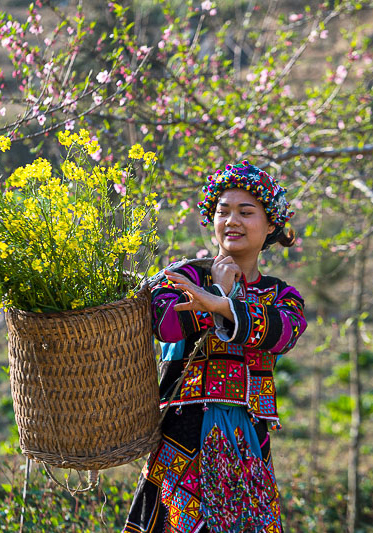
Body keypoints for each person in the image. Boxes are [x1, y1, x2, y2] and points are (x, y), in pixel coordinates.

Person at [123, 161, 308, 533]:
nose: (232, 221)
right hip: (182, 434)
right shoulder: (184, 275)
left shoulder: (280, 296)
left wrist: (220, 305)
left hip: (249, 440)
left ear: (270, 225)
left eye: (246, 212)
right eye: (223, 211)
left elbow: (284, 333)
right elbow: (165, 326)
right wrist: (217, 291)